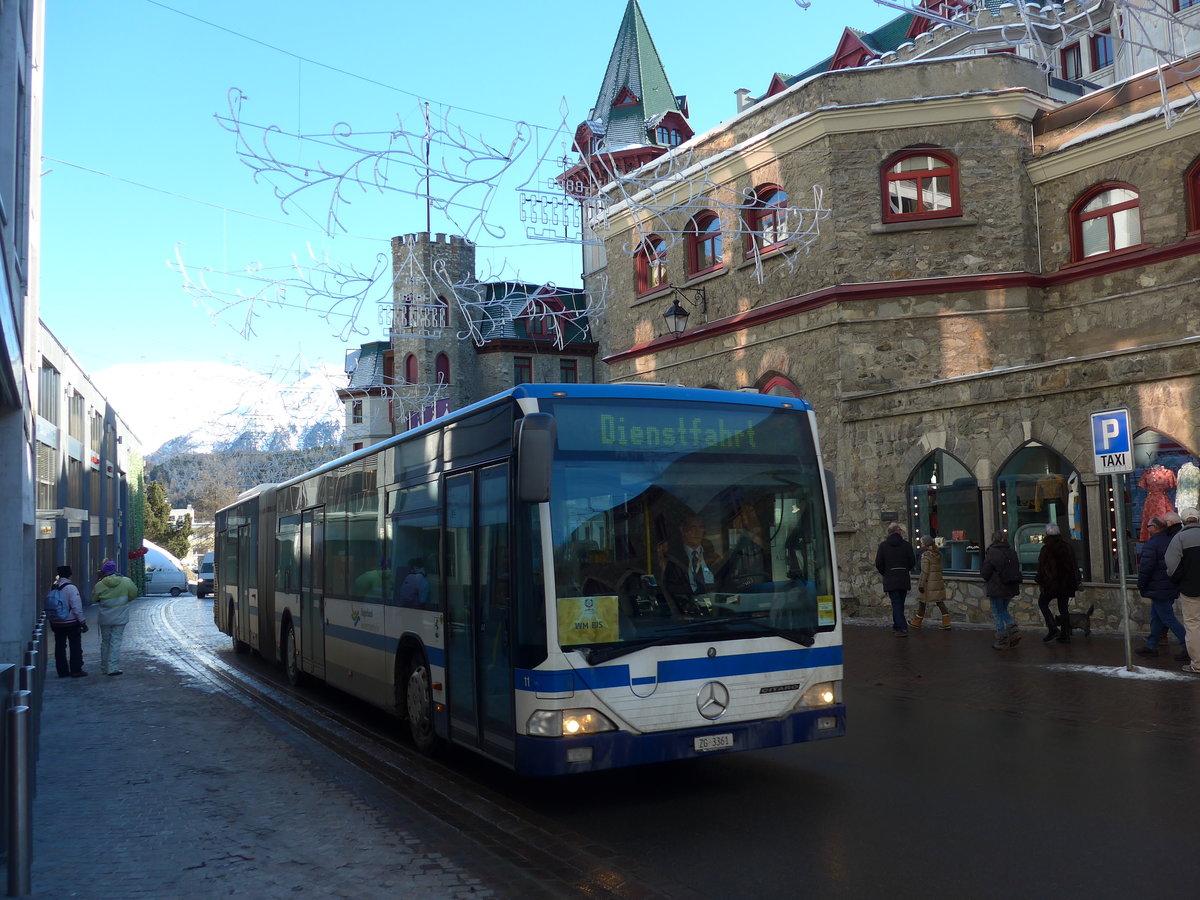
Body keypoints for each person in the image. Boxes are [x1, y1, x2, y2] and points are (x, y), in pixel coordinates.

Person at [1135, 515, 1189, 660]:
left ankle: (1188, 646)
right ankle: (1151, 645)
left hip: (1158, 587)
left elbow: (1146, 567)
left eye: (1148, 526)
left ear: (1155, 528)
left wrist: (1141, 584)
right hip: (1169, 585)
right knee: (1156, 617)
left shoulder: (1152, 544)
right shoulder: (1171, 541)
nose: (1147, 529)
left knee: (1167, 618)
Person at [659, 513, 725, 617]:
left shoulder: (714, 558)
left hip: (717, 615)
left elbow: (724, 586)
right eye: (692, 527)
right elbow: (668, 588)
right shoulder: (672, 559)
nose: (697, 532)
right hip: (685, 617)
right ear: (682, 530)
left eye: (701, 527)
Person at [1165, 506, 1200, 674]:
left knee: (1193, 626)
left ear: (1183, 522)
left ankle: (1198, 664)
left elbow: (1171, 566)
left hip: (1190, 589)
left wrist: (1179, 580)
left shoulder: (1179, 539)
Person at [1035, 523, 1081, 643]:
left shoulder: (1046, 548)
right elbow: (1074, 565)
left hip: (1052, 584)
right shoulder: (1067, 546)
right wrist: (1077, 581)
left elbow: (1042, 568)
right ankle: (1065, 634)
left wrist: (1042, 582)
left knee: (1042, 603)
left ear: (1047, 534)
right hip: (1066, 583)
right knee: (1063, 608)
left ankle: (1053, 628)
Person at [93, 559, 139, 676]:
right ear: (115, 569)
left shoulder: (100, 584)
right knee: (116, 641)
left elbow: (93, 598)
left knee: (105, 642)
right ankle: (113, 668)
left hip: (105, 618)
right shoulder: (126, 581)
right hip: (120, 616)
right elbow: (134, 593)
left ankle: (104, 667)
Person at [980, 531, 1022, 649]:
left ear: (994, 540)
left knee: (998, 612)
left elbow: (986, 571)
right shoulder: (1011, 551)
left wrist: (985, 576)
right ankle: (1014, 631)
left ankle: (1002, 638)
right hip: (1011, 586)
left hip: (997, 587)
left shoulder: (992, 552)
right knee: (1003, 610)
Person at [875, 523, 916, 636]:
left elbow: (879, 563)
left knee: (896, 603)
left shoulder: (883, 546)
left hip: (890, 577)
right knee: (899, 603)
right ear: (898, 531)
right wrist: (904, 570)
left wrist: (886, 573)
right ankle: (899, 626)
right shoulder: (906, 545)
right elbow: (912, 561)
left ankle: (901, 627)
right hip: (903, 576)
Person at [48, 565, 88, 678]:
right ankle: (76, 669)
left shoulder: (54, 587)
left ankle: (62, 671)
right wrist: (82, 622)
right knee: (75, 646)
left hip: (56, 622)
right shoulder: (71, 588)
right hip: (70, 621)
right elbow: (76, 607)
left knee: (59, 647)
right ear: (69, 574)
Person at [910, 535, 952, 629]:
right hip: (937, 581)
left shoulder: (926, 555)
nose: (920, 544)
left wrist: (921, 584)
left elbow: (924, 571)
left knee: (922, 601)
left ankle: (917, 622)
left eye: (922, 542)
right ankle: (946, 622)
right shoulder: (937, 554)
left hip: (928, 583)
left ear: (925, 544)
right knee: (939, 601)